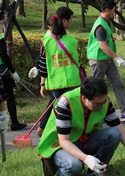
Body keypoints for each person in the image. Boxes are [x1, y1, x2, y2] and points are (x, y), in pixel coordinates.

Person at [37, 77, 125, 175]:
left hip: (82, 141)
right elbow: (64, 141)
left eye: (103, 102)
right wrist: (86, 158)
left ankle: (96, 171)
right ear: (84, 99)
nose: (101, 106)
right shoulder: (66, 103)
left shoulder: (105, 102)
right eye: (97, 104)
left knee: (114, 134)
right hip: (58, 147)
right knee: (74, 165)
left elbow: (122, 131)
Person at [87, 0, 125, 121]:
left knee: (118, 83)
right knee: (96, 88)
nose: (114, 12)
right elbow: (102, 46)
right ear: (107, 10)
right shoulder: (100, 25)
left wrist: (114, 57)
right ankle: (90, 114)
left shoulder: (106, 22)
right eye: (113, 10)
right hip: (98, 60)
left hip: (108, 59)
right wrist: (117, 57)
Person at [36, 7, 77, 136]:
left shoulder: (46, 41)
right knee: (71, 106)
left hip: (54, 81)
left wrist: (42, 84)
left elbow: (43, 65)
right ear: (64, 21)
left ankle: (46, 128)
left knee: (56, 105)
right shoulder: (72, 41)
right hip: (72, 80)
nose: (71, 22)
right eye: (70, 19)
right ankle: (69, 131)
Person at [0, 34, 25, 131]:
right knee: (9, 96)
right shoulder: (0, 38)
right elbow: (4, 55)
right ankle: (14, 123)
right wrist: (13, 71)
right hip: (3, 72)